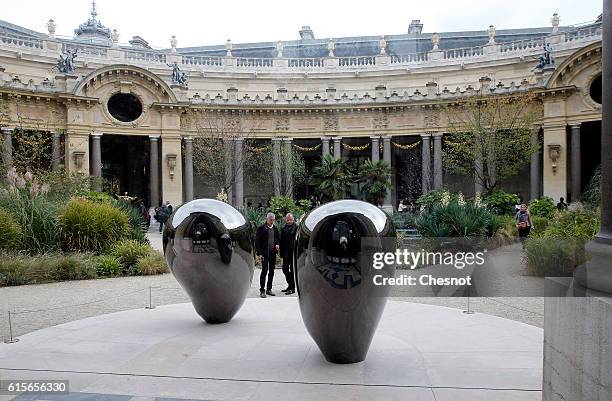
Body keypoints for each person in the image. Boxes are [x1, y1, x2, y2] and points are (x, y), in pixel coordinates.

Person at [255, 212, 279, 298]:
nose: (272, 221)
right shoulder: (261, 228)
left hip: (272, 253)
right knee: (264, 271)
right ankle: (262, 290)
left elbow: (277, 239)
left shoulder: (275, 228)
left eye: (273, 220)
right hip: (264, 254)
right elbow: (257, 241)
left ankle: (269, 289)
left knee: (272, 271)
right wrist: (259, 253)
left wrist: (277, 244)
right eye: (270, 219)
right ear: (267, 219)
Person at [279, 213, 297, 295]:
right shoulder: (283, 227)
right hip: (285, 252)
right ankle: (290, 284)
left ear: (293, 219)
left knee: (292, 270)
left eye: (290, 219)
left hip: (293, 252)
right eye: (288, 219)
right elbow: (281, 240)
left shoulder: (296, 227)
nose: (289, 221)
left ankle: (292, 288)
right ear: (286, 219)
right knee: (285, 269)